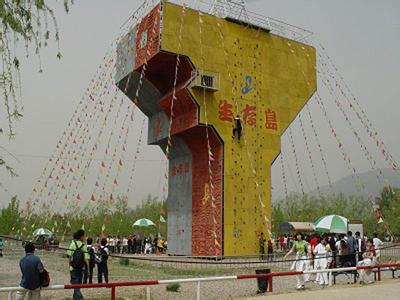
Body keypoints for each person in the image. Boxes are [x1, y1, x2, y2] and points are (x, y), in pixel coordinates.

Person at [67, 229, 89, 300]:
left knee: (76, 286)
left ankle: (75, 298)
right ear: (81, 236)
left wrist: (70, 266)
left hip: (73, 268)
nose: (84, 237)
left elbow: (69, 256)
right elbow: (86, 259)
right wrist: (87, 269)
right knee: (77, 286)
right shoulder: (83, 246)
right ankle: (81, 298)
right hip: (81, 268)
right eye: (84, 236)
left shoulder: (72, 244)